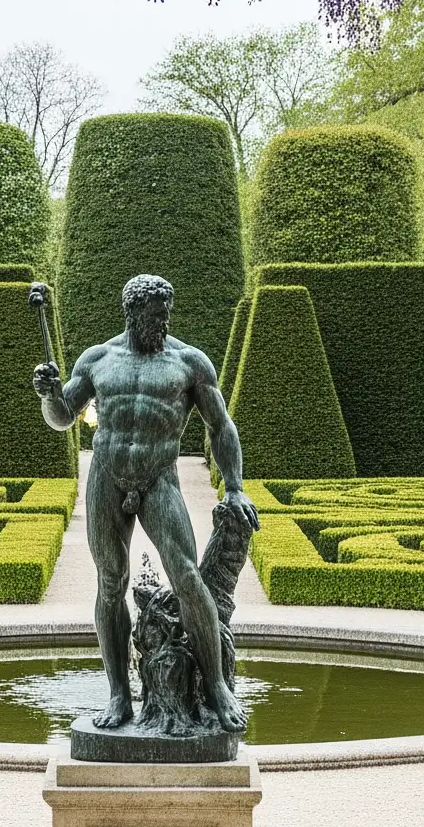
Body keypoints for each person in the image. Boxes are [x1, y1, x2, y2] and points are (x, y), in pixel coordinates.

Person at [34, 272, 258, 731]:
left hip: (160, 477)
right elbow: (62, 418)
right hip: (106, 476)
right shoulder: (99, 359)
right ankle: (119, 695)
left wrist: (233, 485)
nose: (164, 322)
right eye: (156, 315)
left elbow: (221, 426)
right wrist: (47, 395)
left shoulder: (189, 362)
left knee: (187, 575)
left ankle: (215, 687)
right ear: (133, 314)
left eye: (167, 313)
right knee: (111, 581)